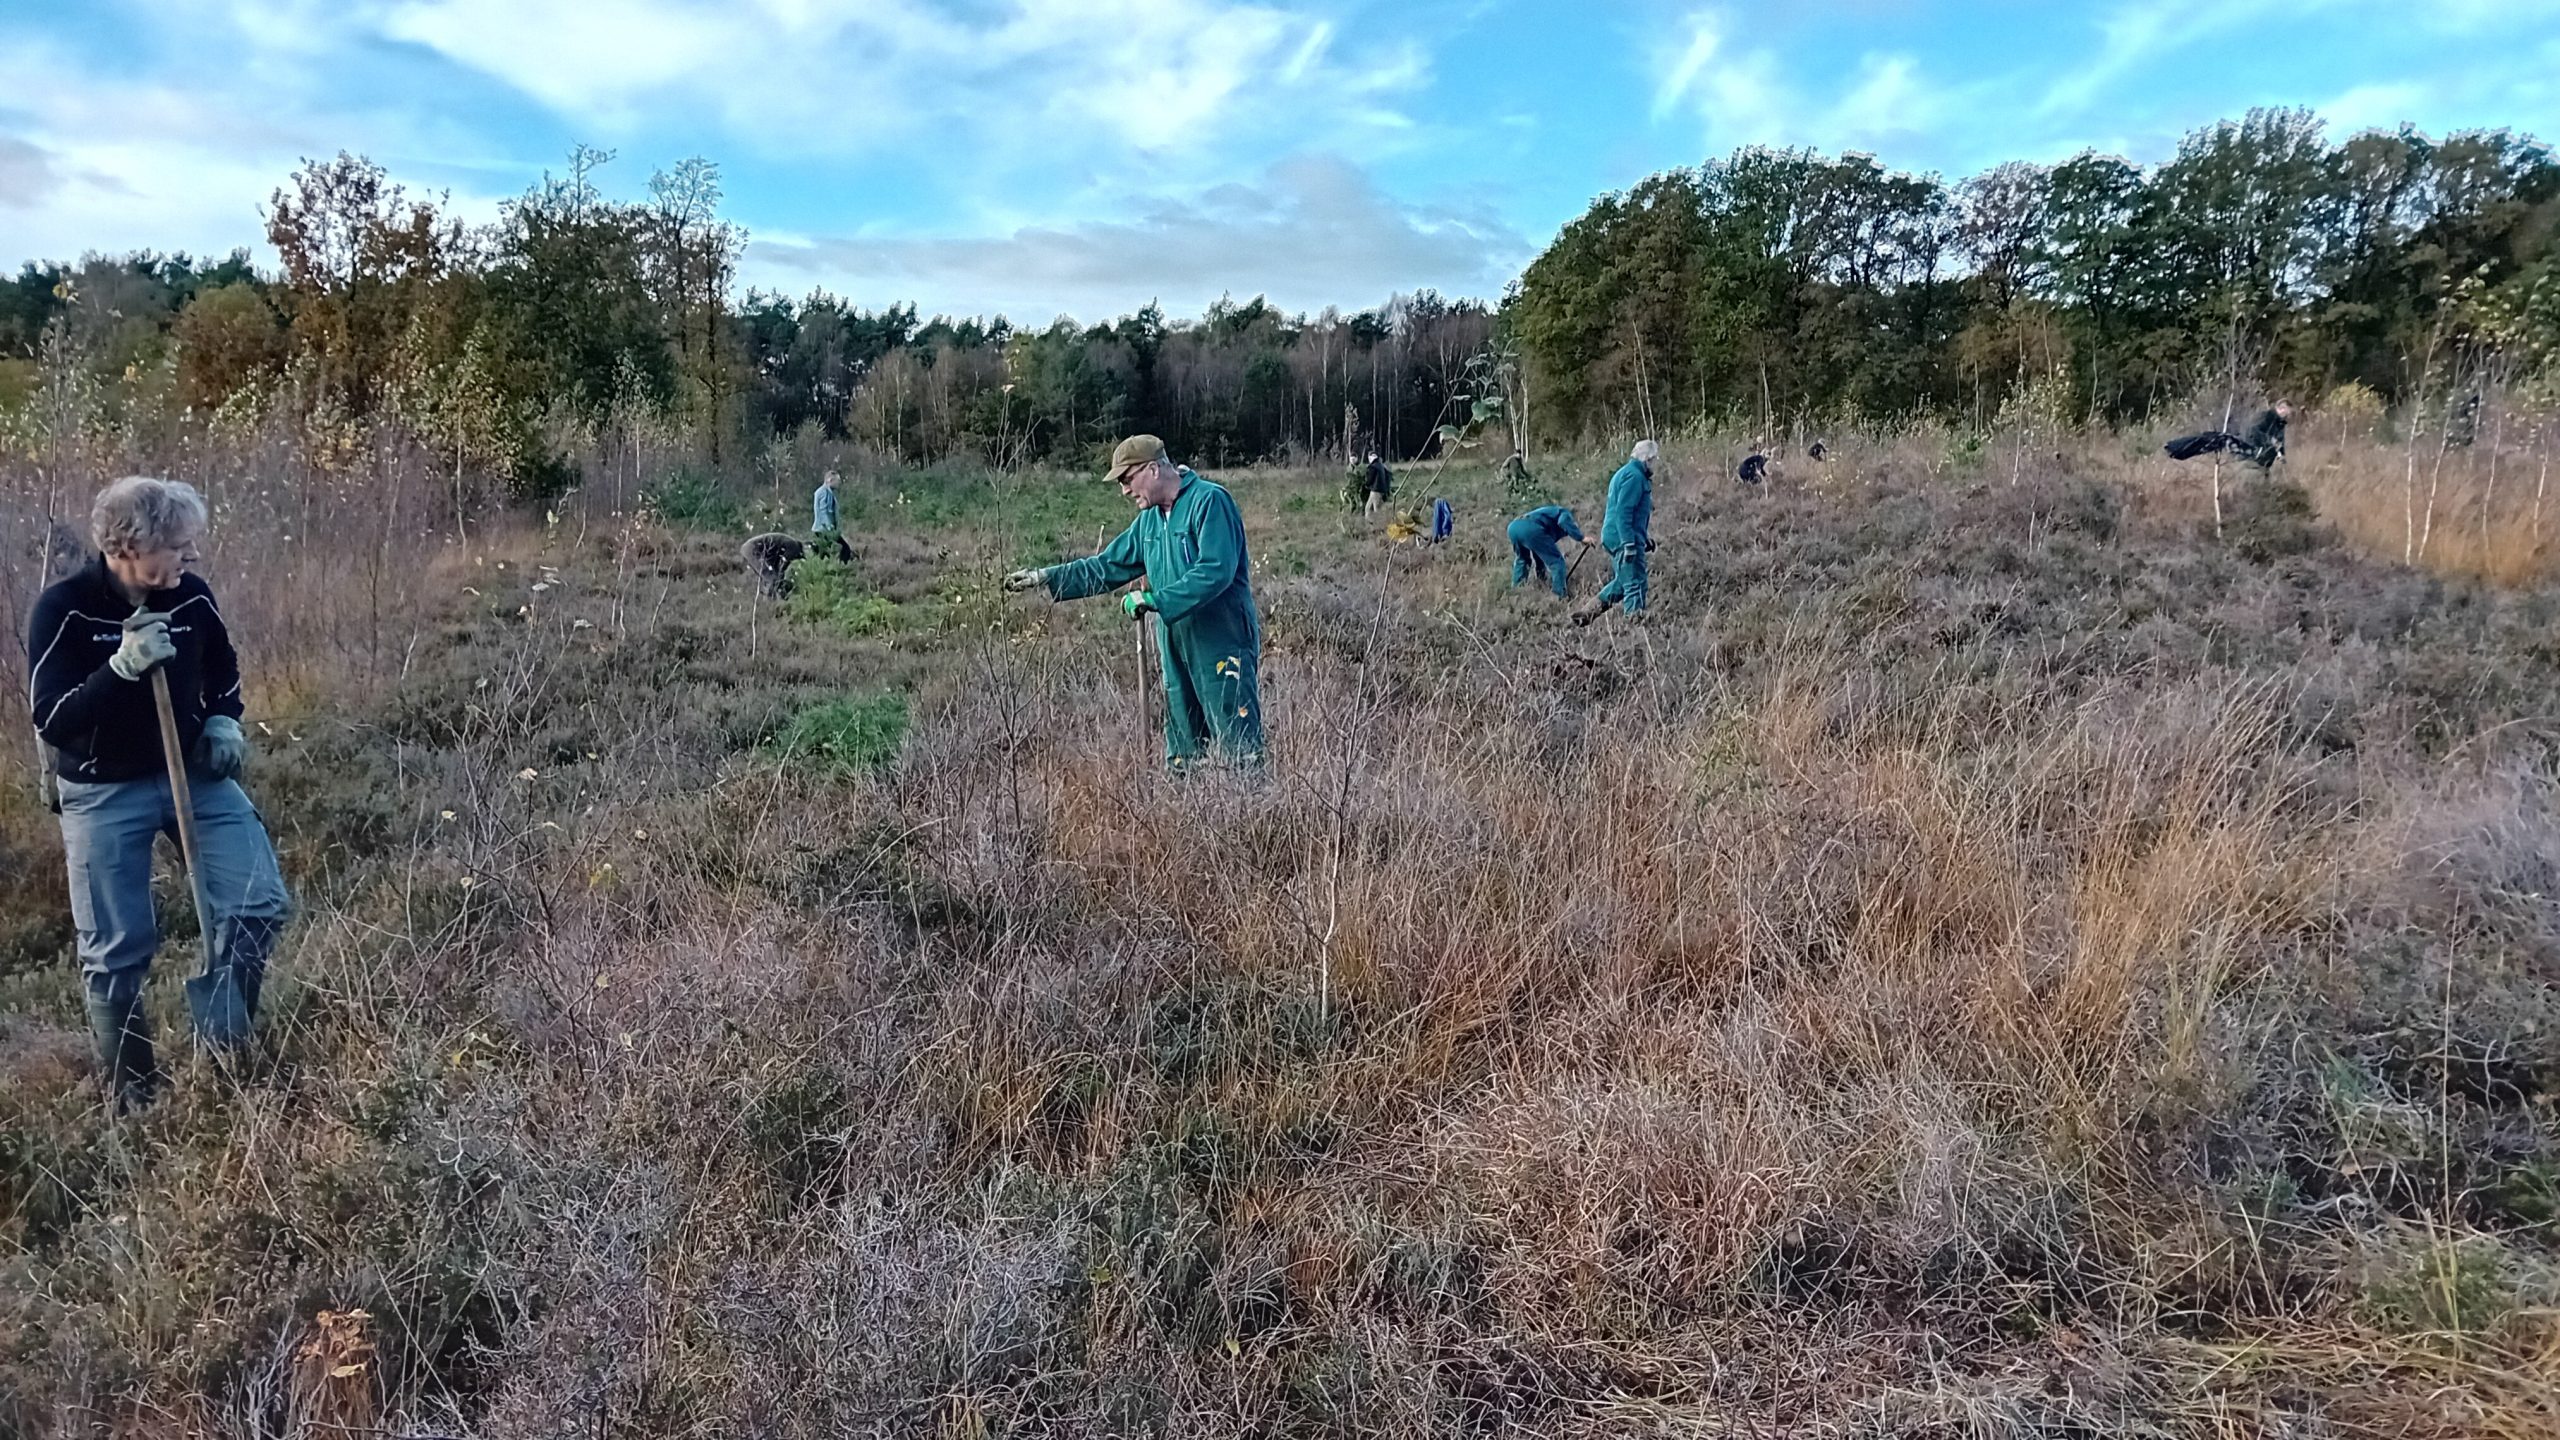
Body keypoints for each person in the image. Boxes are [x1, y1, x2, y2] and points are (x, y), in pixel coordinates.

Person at [27, 476, 290, 1111]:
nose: (190, 557)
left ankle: (223, 1041)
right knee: (116, 952)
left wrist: (226, 718)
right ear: (127, 545)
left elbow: (223, 669)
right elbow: (53, 717)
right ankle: (137, 1097)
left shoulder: (192, 597)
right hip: (101, 789)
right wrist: (118, 669)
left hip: (193, 773)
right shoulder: (63, 609)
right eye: (177, 545)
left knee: (258, 903)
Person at [1002, 436, 1264, 771]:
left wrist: (1157, 598)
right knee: (1185, 749)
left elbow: (1216, 570)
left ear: (1153, 469)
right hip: (1175, 644)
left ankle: (1252, 817)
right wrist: (1047, 577)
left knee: (1238, 747)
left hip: (1221, 643)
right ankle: (1187, 818)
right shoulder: (1149, 522)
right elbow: (1107, 565)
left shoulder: (1210, 502)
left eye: (1127, 479)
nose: (1124, 491)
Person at [1576, 439, 1659, 626]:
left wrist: (1643, 539)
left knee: (1623, 582)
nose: (1655, 464)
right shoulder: (1635, 477)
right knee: (1635, 583)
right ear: (1648, 458)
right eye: (1654, 460)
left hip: (1622, 536)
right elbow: (1624, 512)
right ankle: (1634, 631)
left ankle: (1585, 615)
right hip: (1623, 538)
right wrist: (1629, 543)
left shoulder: (1627, 474)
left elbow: (1632, 514)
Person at [1506, 503, 1588, 599]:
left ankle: (1516, 592)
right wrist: (1581, 538)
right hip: (1531, 529)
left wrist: (1542, 579)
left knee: (1523, 560)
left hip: (1513, 527)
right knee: (1557, 562)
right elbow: (1563, 521)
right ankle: (1559, 597)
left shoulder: (1547, 515)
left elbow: (1539, 557)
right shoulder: (1564, 512)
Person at [811, 468, 852, 563]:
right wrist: (830, 529)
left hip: (823, 529)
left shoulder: (827, 492)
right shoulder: (824, 492)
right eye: (837, 481)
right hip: (824, 530)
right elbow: (824, 511)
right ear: (830, 480)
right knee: (845, 549)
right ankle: (841, 570)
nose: (839, 483)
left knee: (822, 556)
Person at [1363, 453, 1393, 518]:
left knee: (1376, 510)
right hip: (1381, 490)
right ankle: (1370, 524)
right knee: (1368, 508)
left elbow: (1370, 479)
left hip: (1375, 490)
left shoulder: (1372, 466)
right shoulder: (1381, 466)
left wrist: (1366, 484)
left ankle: (1378, 525)